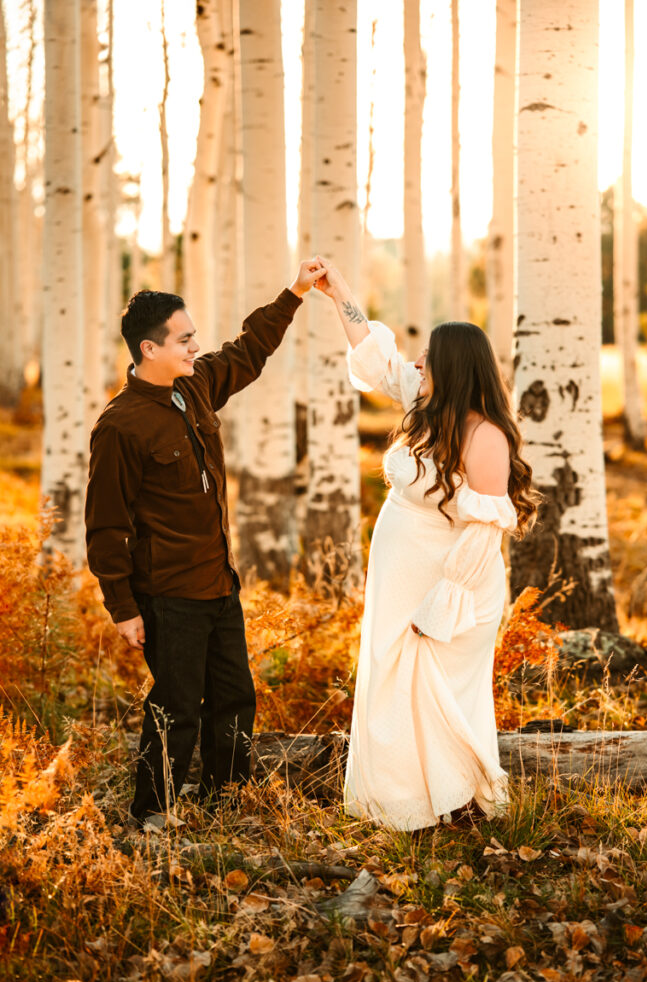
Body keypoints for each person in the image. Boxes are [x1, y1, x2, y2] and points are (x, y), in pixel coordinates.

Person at [85, 260, 326, 830]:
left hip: (219, 583)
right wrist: (122, 607)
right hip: (168, 595)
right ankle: (153, 814)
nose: (196, 346)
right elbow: (105, 525)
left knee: (235, 698)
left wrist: (292, 292)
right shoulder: (119, 427)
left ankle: (227, 801)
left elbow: (248, 351)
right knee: (176, 710)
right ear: (149, 348)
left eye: (194, 336)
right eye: (184, 338)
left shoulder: (192, 389)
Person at [314, 257, 538, 831]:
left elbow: (483, 532)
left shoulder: (484, 435)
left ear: (454, 370)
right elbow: (377, 359)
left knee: (434, 693)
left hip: (451, 589)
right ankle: (397, 804)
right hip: (400, 580)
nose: (416, 365)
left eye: (428, 359)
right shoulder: (429, 402)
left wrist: (441, 606)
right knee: (389, 682)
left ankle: (451, 804)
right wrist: (339, 291)